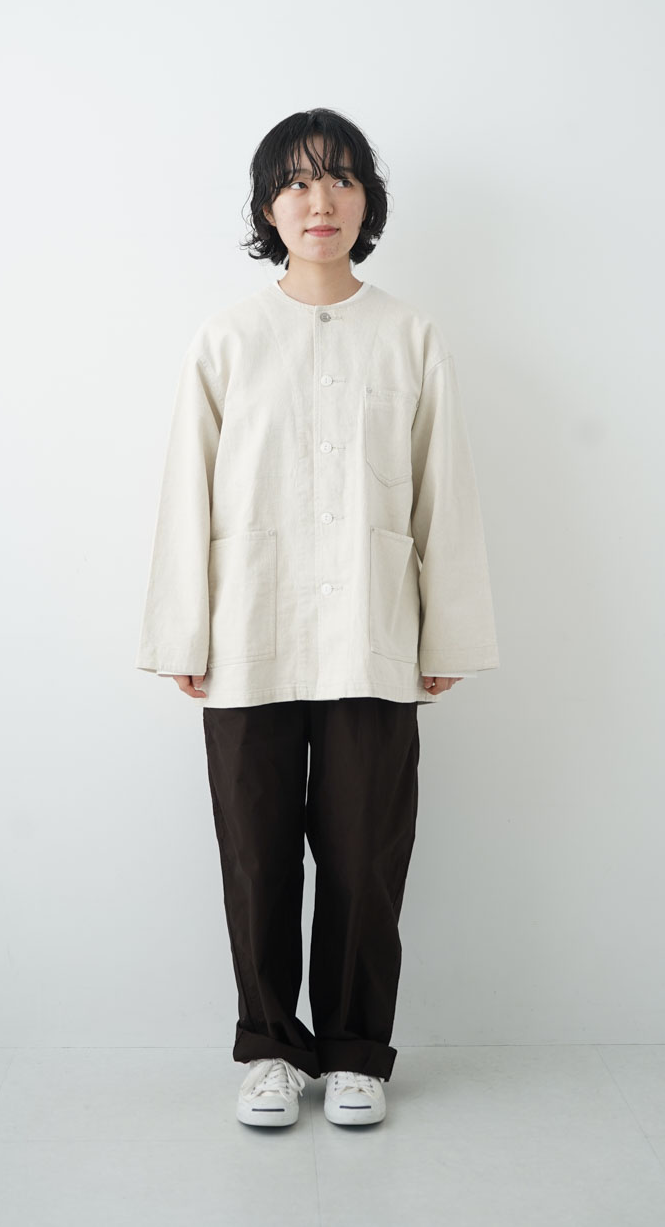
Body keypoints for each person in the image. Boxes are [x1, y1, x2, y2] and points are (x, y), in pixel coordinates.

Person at [136, 107, 499, 1128]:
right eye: (295, 182)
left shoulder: (409, 335)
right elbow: (186, 491)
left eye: (339, 178)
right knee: (255, 854)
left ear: (367, 201)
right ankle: (269, 1048)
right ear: (267, 208)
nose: (319, 199)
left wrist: (447, 631)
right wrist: (184, 631)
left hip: (374, 636)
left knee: (362, 853)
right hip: (248, 634)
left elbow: (444, 491)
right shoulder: (228, 339)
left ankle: (353, 1053)